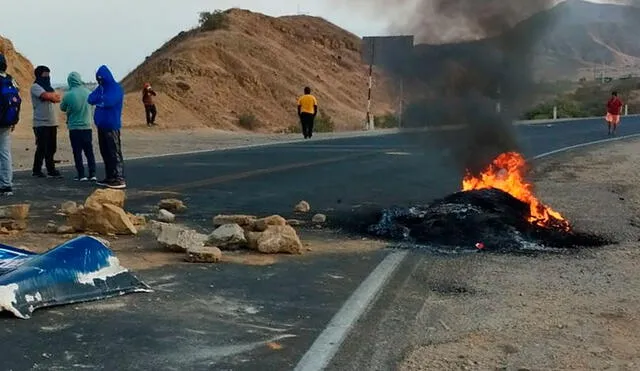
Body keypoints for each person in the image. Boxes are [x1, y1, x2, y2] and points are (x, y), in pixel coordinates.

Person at [88, 65, 126, 189]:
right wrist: (101, 99)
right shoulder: (101, 88)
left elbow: (109, 101)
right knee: (105, 152)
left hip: (111, 125)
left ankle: (119, 177)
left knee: (114, 152)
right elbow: (90, 99)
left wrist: (100, 100)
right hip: (102, 125)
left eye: (101, 79)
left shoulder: (115, 88)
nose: (100, 81)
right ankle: (110, 176)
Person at [60, 72, 96, 181]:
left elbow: (63, 108)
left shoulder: (68, 94)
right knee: (89, 151)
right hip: (87, 126)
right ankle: (93, 173)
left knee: (77, 152)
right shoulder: (88, 93)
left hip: (74, 127)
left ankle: (81, 174)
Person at [31, 65, 62, 178]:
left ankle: (51, 169)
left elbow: (57, 98)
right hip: (40, 122)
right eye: (45, 75)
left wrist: (52, 96)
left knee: (52, 147)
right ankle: (37, 169)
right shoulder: (35, 87)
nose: (47, 77)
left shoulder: (49, 87)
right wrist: (52, 96)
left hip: (52, 122)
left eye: (48, 75)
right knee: (42, 147)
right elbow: (46, 96)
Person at [0, 53, 21, 196]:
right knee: (5, 152)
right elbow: (17, 99)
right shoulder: (10, 79)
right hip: (7, 121)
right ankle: (7, 184)